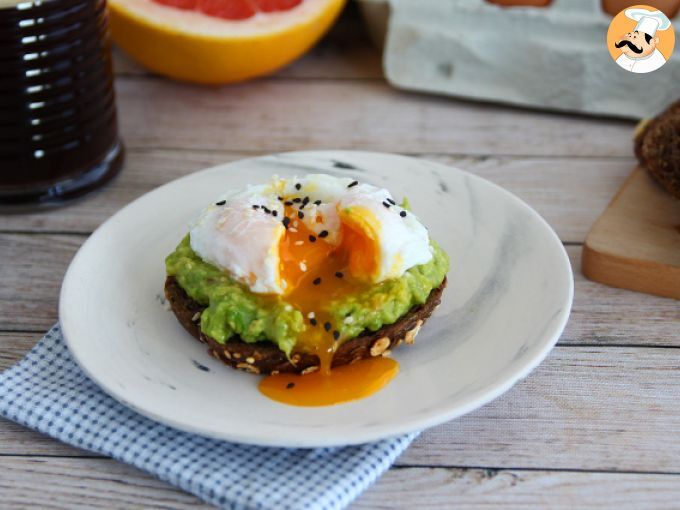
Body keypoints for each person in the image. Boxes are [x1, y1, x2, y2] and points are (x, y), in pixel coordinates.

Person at [614, 8, 672, 73]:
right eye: (629, 35)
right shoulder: (622, 58)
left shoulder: (658, 62)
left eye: (635, 37)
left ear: (653, 41)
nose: (629, 40)